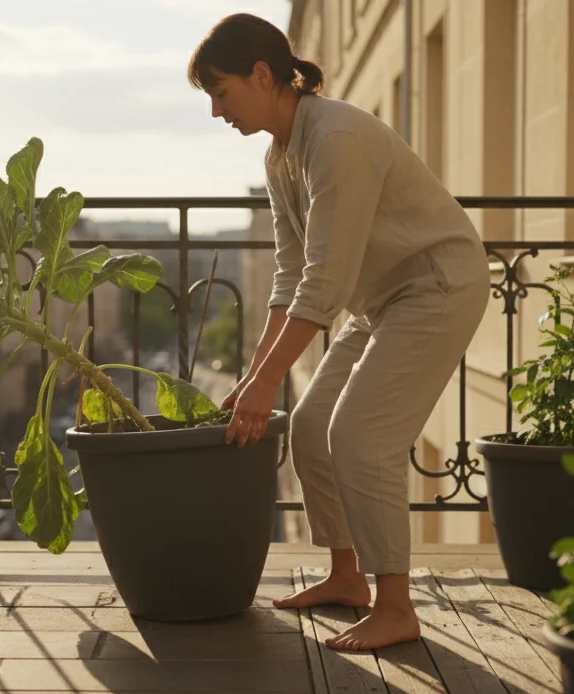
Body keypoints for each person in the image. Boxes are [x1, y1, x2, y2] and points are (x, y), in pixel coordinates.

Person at [188, 13, 490, 652]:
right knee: (310, 425)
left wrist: (268, 379)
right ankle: (346, 578)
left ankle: (397, 606)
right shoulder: (280, 156)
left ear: (262, 75)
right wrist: (254, 375)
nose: (216, 112)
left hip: (438, 285)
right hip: (384, 301)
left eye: (220, 92)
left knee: (359, 433)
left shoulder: (337, 137)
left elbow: (324, 282)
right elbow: (291, 272)